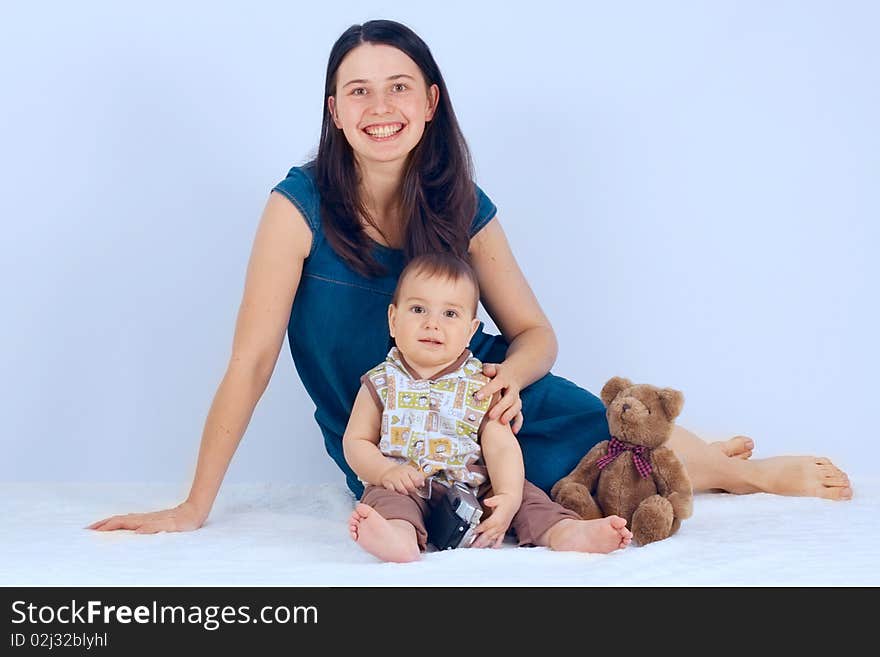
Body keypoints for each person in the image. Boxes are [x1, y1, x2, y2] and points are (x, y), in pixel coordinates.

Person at [88, 19, 851, 537]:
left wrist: (509, 382)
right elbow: (250, 363)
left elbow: (535, 333)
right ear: (334, 110)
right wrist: (193, 506)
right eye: (358, 90)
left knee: (599, 437)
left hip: (486, 399)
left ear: (429, 101)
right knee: (522, 501)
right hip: (394, 430)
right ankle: (700, 453)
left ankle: (736, 473)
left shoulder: (462, 201)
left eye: (398, 86)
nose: (379, 105)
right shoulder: (297, 208)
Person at [345, 252, 632, 561]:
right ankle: (397, 537)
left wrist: (508, 495)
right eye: (418, 309)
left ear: (470, 330)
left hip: (473, 485)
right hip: (405, 481)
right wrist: (385, 470)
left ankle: (566, 531)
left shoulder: (481, 382)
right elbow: (356, 440)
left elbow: (501, 446)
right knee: (386, 500)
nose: (432, 324)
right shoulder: (380, 381)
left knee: (527, 497)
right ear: (393, 319)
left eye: (450, 314)